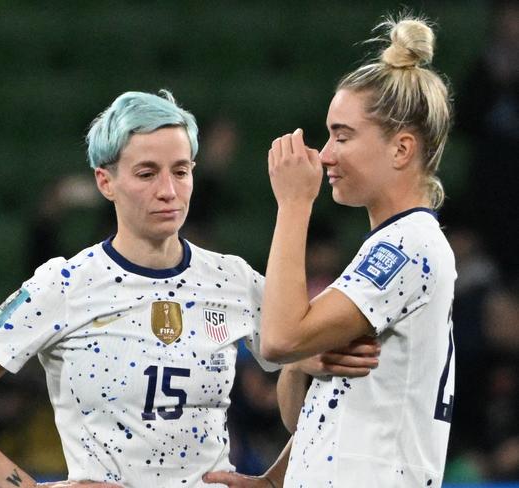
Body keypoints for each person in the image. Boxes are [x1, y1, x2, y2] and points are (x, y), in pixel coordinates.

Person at [0, 90, 378, 488]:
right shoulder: (65, 284)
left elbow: (319, 384)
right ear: (105, 181)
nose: (169, 191)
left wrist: (276, 478)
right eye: (147, 173)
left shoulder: (234, 280)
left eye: (181, 170)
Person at [215, 14, 455, 488]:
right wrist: (275, 478)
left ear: (401, 149)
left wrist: (293, 204)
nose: (325, 154)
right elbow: (295, 407)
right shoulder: (388, 246)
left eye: (342, 136)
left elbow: (278, 339)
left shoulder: (407, 249)